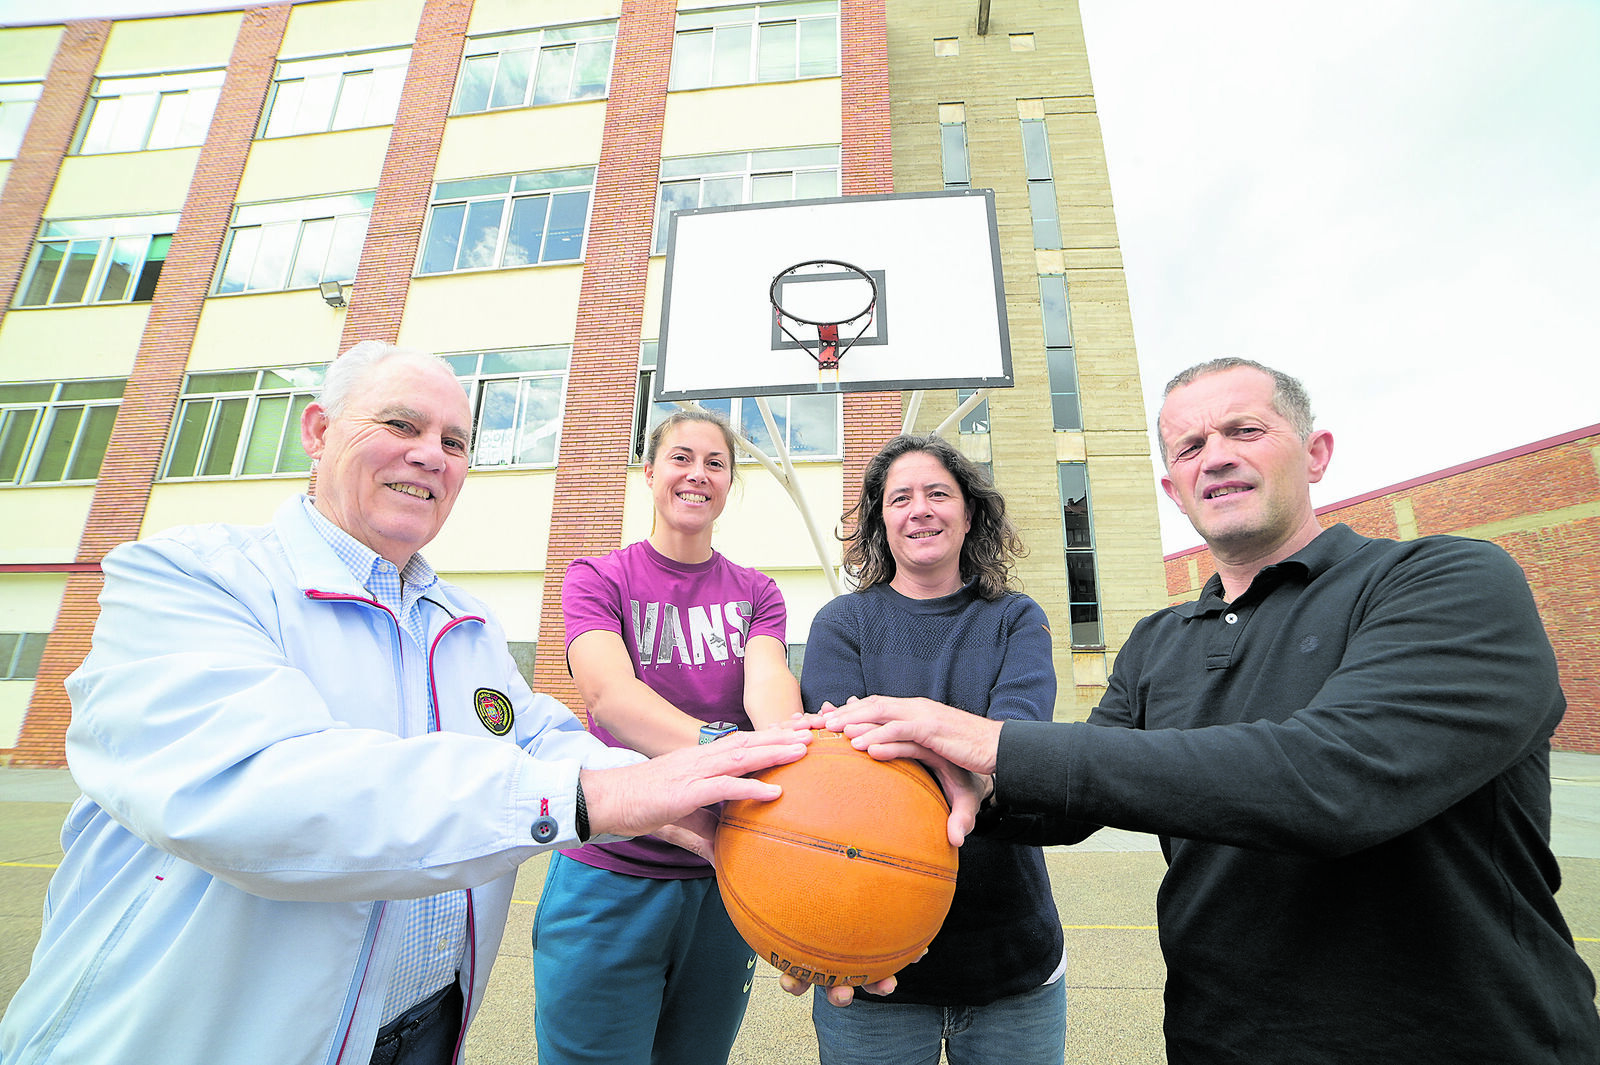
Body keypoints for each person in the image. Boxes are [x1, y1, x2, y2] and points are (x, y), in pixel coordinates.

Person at [0, 342, 813, 1065]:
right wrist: (613, 793)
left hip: (423, 1026)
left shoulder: (460, 623)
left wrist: (737, 826)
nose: (431, 455)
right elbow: (263, 789)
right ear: (318, 432)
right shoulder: (190, 579)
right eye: (401, 424)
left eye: (453, 442)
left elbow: (543, 737)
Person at [821, 358, 1600, 1063]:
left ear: (1316, 451)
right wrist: (843, 868)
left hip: (1459, 1037)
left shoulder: (1446, 580)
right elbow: (1059, 799)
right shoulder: (1160, 642)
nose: (1216, 455)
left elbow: (1329, 781)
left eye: (1245, 430)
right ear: (1173, 487)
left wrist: (988, 741)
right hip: (1220, 1038)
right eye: (1189, 447)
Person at [530, 408, 803, 1065]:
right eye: (681, 457)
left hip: (722, 878)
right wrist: (727, 750)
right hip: (611, 874)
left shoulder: (757, 592)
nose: (698, 473)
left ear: (729, 484)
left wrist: (796, 748)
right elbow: (611, 698)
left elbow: (767, 686)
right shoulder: (597, 578)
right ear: (650, 472)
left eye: (715, 462)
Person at [796, 433, 1067, 1065]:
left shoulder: (1016, 619)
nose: (920, 508)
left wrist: (909, 733)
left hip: (1011, 956)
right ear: (879, 521)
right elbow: (846, 773)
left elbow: (1012, 747)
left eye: (938, 493)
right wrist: (957, 750)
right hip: (870, 957)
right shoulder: (841, 624)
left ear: (968, 514)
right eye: (900, 498)